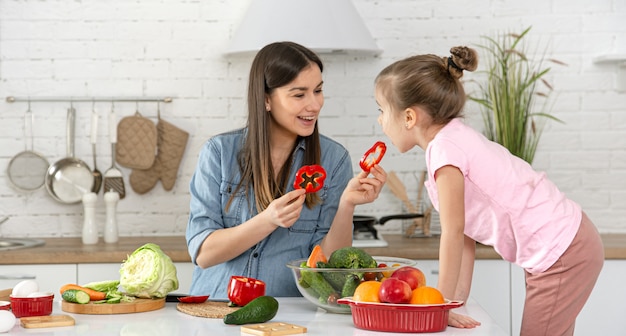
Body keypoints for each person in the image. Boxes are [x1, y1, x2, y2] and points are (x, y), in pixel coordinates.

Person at [373, 46, 604, 335]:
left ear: (409, 117)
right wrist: (453, 302)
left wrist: (438, 305)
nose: (380, 120)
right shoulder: (453, 139)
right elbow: (465, 233)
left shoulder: (445, 152)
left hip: (562, 252)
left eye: (382, 110)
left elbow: (453, 233)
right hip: (566, 245)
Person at [186, 41, 387, 299]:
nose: (314, 105)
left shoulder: (334, 160)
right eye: (299, 94)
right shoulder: (219, 153)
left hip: (290, 312)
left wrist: (347, 204)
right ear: (266, 99)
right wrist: (268, 220)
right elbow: (204, 254)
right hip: (214, 310)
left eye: (318, 90)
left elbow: (326, 266)